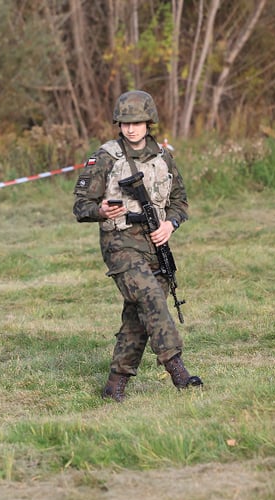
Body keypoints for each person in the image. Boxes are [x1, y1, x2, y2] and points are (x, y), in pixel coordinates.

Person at [72, 90, 203, 402]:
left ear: (149, 122)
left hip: (154, 244)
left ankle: (115, 384)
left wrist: (170, 224)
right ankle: (178, 370)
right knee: (151, 299)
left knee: (138, 315)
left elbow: (180, 201)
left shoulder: (164, 157)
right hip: (120, 244)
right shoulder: (103, 157)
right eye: (124, 123)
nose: (130, 128)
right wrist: (101, 210)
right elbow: (80, 206)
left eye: (137, 122)